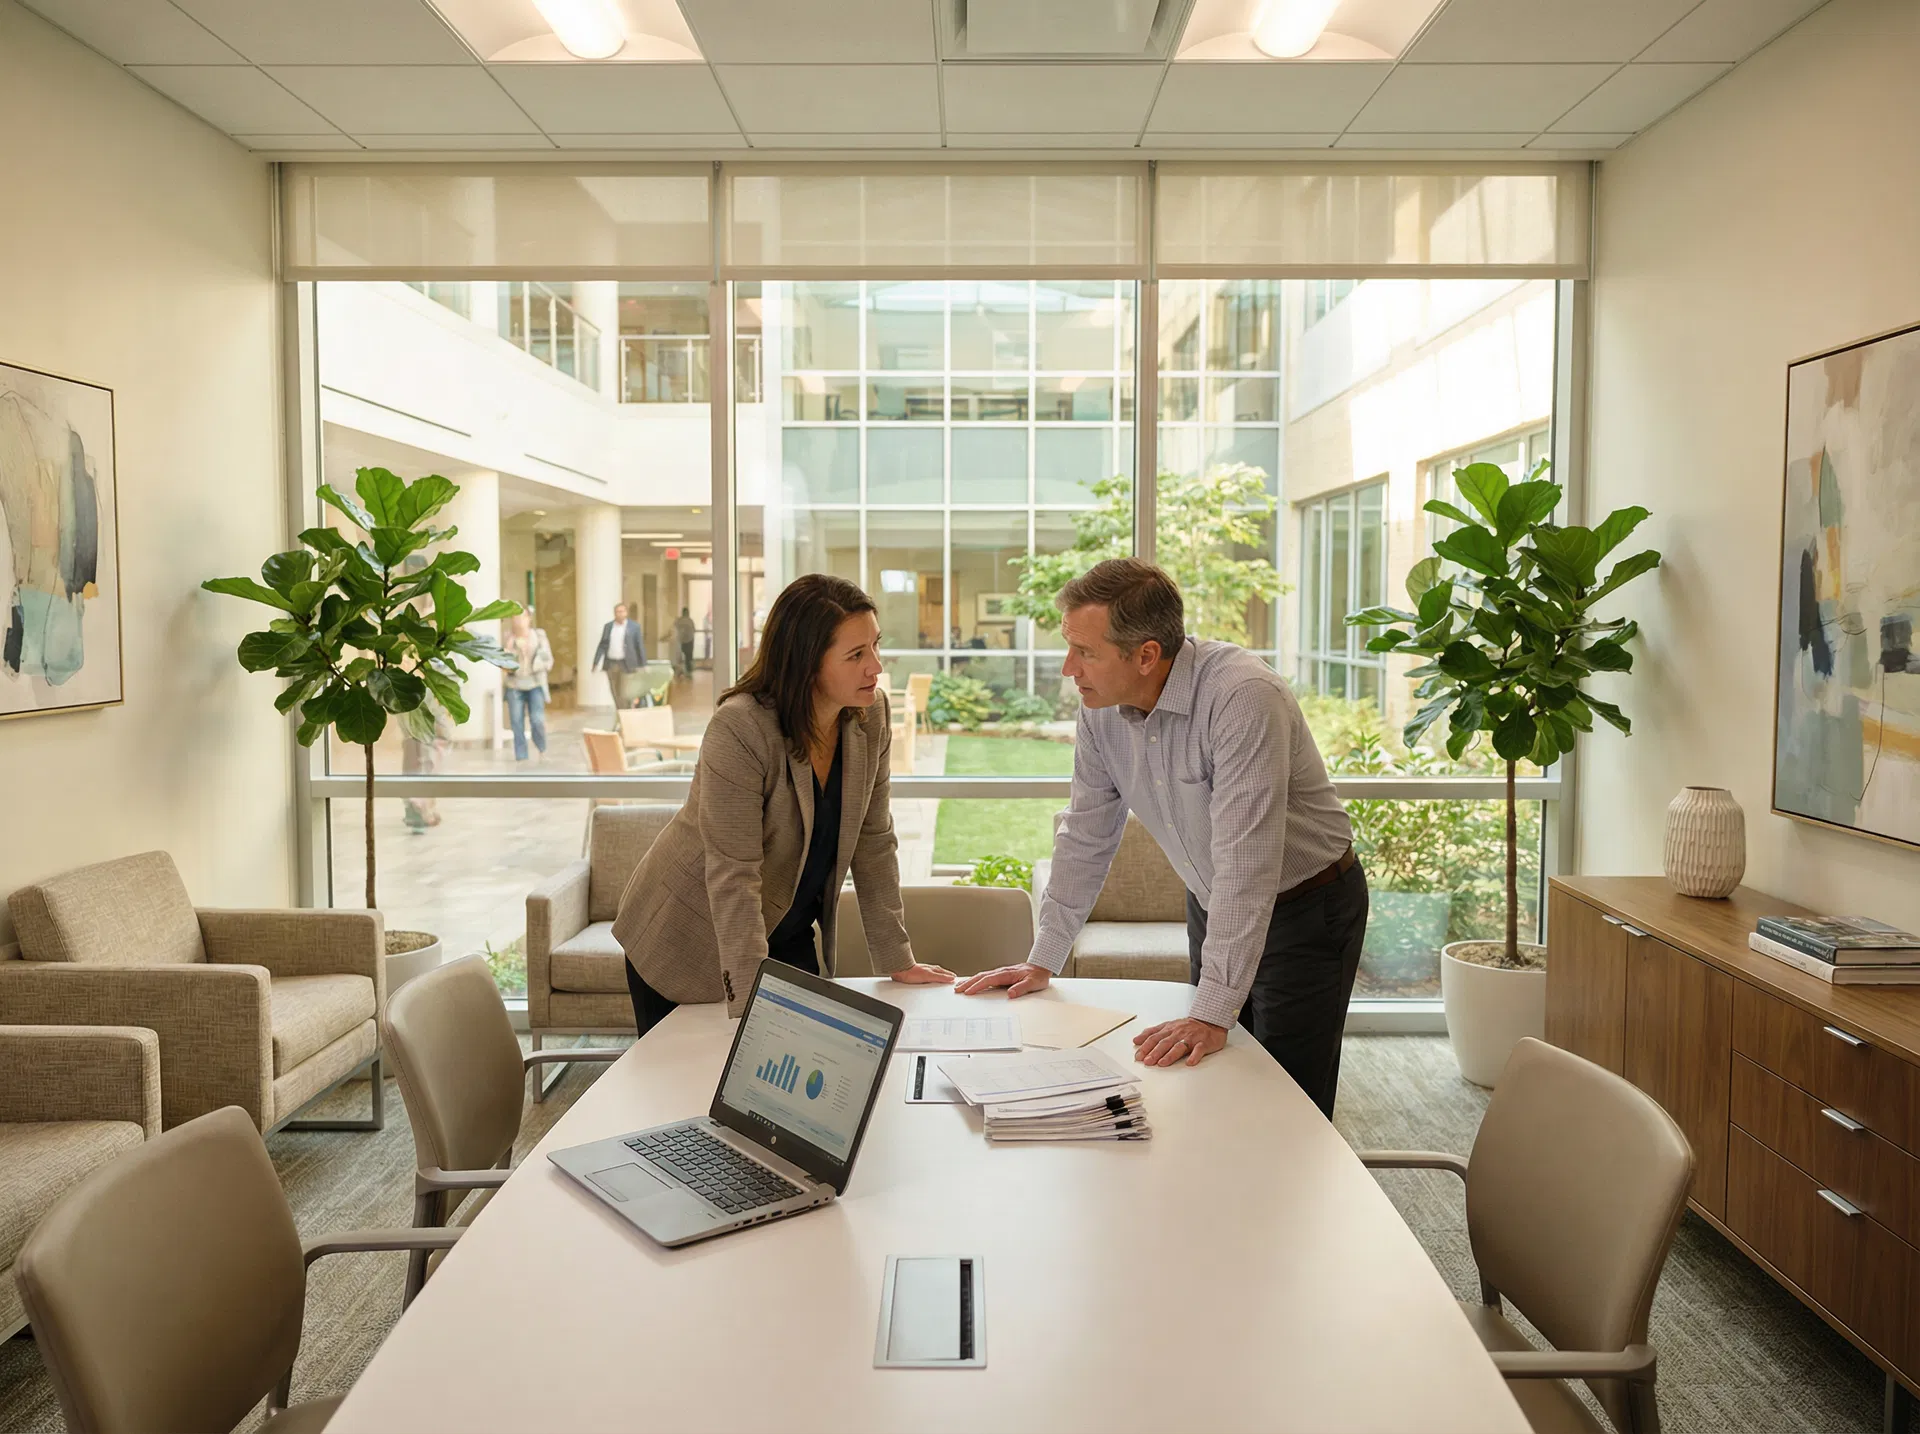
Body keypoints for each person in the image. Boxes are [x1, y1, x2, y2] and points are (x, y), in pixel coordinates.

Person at [958, 557, 1368, 1118]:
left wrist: (1213, 1008)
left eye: (1086, 651)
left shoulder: (1243, 696)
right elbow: (1085, 833)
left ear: (1146, 654)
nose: (1067, 668)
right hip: (1212, 899)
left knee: (1287, 1102)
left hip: (1305, 907)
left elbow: (1247, 867)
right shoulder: (1099, 708)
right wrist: (1044, 957)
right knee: (1211, 1074)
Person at [611, 574, 958, 1034]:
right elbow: (733, 875)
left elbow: (874, 841)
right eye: (856, 655)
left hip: (786, 929)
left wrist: (898, 960)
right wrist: (754, 1006)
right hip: (686, 937)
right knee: (693, 1086)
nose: (875, 667)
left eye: (875, 645)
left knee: (797, 1074)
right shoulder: (741, 728)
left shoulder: (870, 715)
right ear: (806, 663)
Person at [502, 611, 553, 762]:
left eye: (521, 617)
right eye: (515, 618)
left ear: (528, 618)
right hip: (514, 685)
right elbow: (503, 663)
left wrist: (536, 663)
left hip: (535, 683)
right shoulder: (508, 637)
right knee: (516, 721)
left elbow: (548, 660)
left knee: (537, 719)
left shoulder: (538, 636)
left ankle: (542, 749)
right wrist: (509, 649)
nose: (518, 621)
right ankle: (521, 756)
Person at [591, 601, 646, 712]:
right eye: (617, 612)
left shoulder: (634, 627)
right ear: (614, 613)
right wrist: (596, 662)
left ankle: (626, 711)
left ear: (626, 613)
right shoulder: (609, 627)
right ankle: (621, 711)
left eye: (622, 611)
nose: (620, 614)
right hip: (612, 663)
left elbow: (639, 645)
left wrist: (643, 664)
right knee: (615, 690)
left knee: (625, 690)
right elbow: (602, 644)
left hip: (627, 664)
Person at [673, 606, 697, 679]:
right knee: (688, 657)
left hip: (681, 641)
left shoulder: (679, 620)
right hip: (689, 641)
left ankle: (680, 671)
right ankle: (688, 672)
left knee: (680, 657)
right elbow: (694, 630)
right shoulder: (690, 620)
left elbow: (675, 627)